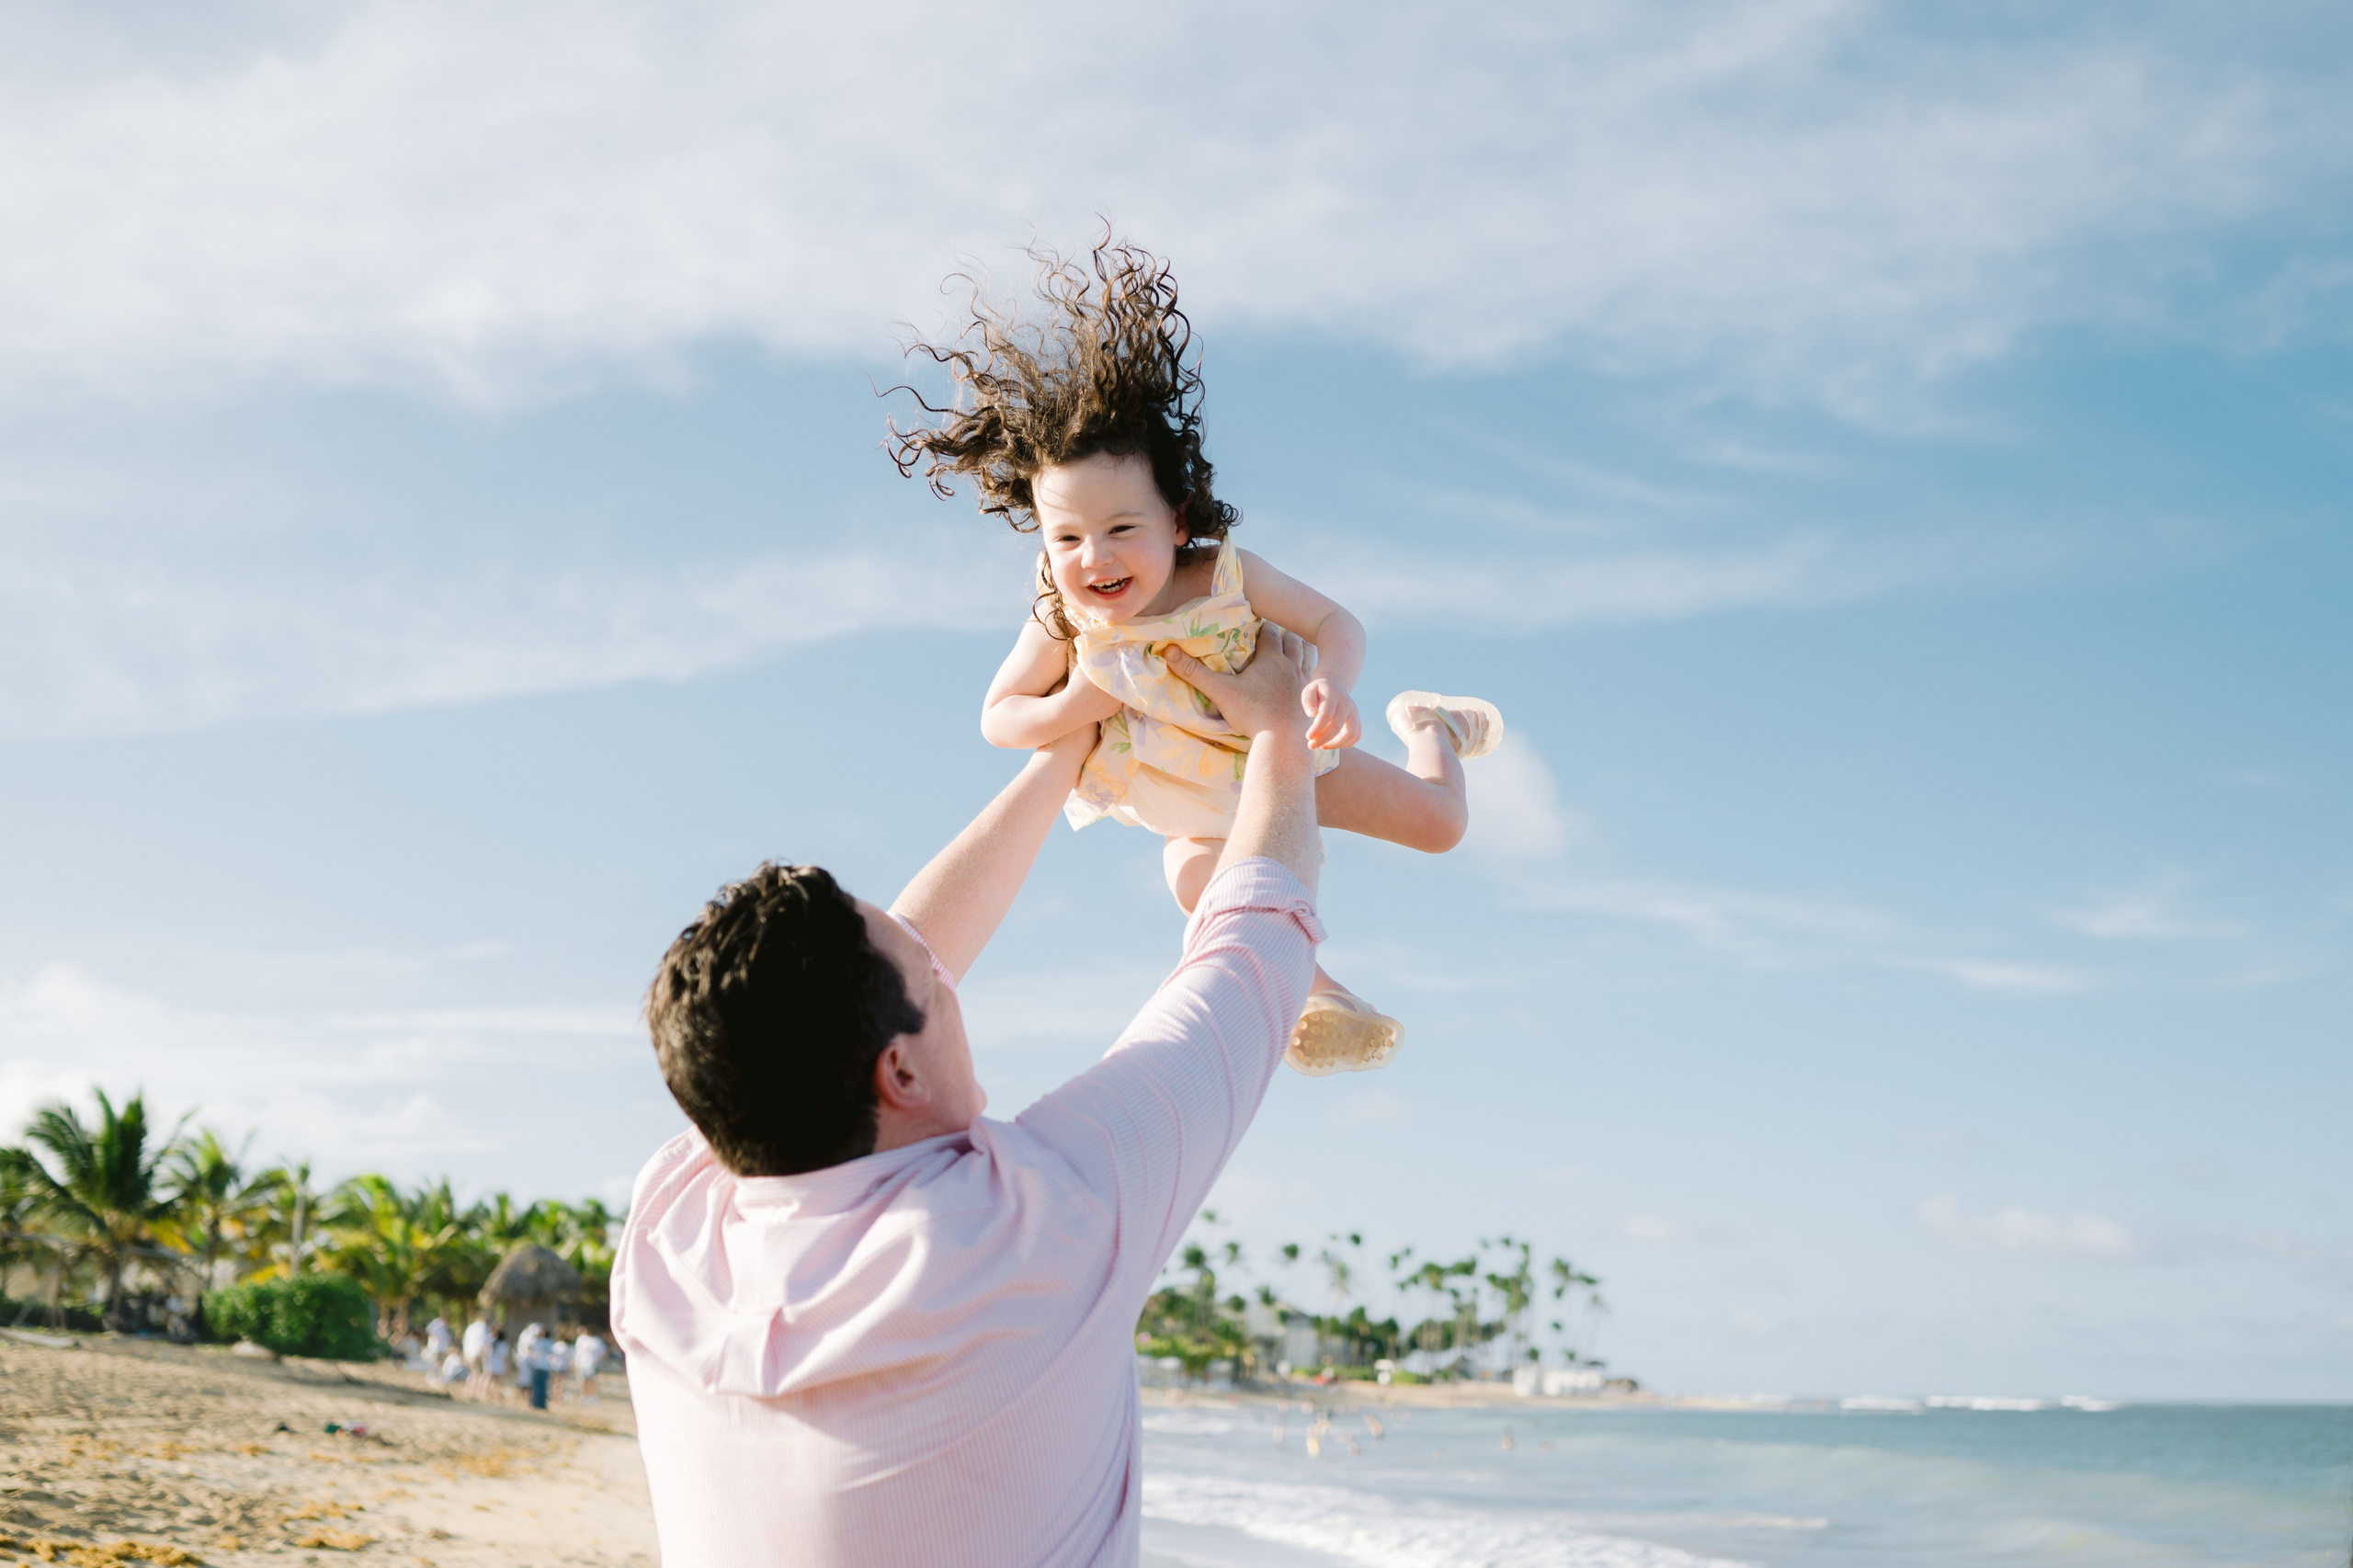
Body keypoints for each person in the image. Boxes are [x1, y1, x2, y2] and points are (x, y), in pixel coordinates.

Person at [612, 622, 1327, 1566]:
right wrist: (1280, 728)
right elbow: (1252, 946)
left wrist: (1066, 750)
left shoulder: (669, 1226)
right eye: (934, 975)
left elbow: (863, 985)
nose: (951, 972)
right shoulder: (1042, 1224)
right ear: (897, 1071)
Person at [891, 239, 1501, 1075]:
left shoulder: (1220, 576)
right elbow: (1000, 717)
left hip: (1286, 758)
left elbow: (1335, 620)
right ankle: (1320, 996)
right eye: (1066, 536)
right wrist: (1077, 706)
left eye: (1120, 530)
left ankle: (1429, 724)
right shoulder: (1063, 612)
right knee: (1207, 896)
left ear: (1177, 521)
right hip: (1182, 808)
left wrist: (1335, 686)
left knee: (1441, 826)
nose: (1093, 558)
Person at [573, 1329, 607, 1398]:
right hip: (581, 1364)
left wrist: (598, 1362)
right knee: (582, 1381)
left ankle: (593, 1396)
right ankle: (584, 1396)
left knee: (592, 1381)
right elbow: (577, 1352)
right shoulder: (581, 1340)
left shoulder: (597, 1341)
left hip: (592, 1364)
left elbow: (603, 1353)